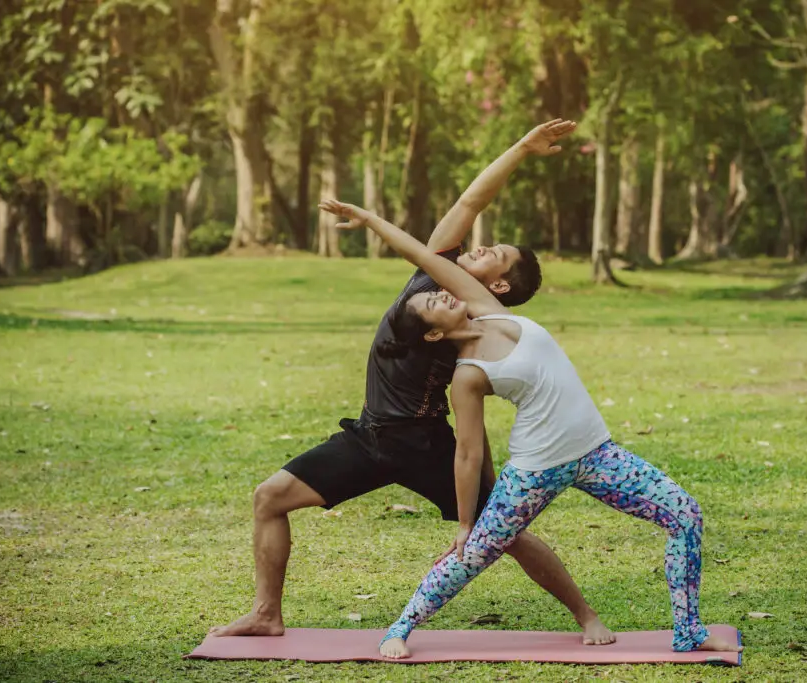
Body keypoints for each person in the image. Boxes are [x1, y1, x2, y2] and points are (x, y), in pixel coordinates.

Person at [211, 120, 615, 647]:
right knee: (270, 497)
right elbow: (472, 199)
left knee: (505, 534)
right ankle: (266, 613)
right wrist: (519, 148)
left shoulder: (465, 305)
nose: (481, 243)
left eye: (495, 254)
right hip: (370, 435)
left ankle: (586, 616)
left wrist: (484, 475)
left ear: (494, 284)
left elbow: (473, 415)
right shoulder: (437, 268)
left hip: (423, 443)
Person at [317, 198, 744, 659]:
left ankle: (688, 631)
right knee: (475, 555)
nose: (441, 291)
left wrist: (371, 220)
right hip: (536, 470)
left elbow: (422, 255)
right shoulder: (467, 374)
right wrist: (465, 522)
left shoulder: (485, 305)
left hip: (599, 454)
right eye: (431, 303)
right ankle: (400, 627)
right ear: (434, 334)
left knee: (685, 515)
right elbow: (468, 452)